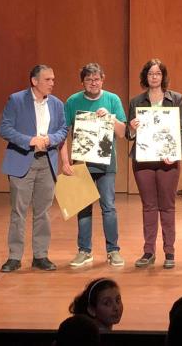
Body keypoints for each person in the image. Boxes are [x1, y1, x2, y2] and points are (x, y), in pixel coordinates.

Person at [0, 65, 68, 273]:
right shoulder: (16, 100)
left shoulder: (56, 104)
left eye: (53, 79)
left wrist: (49, 139)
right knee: (18, 211)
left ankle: (40, 255)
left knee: (43, 211)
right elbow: (4, 128)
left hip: (46, 162)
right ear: (34, 81)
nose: (52, 83)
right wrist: (30, 141)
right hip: (22, 160)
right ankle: (14, 256)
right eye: (47, 79)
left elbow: (63, 129)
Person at [61, 63, 127, 268]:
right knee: (83, 209)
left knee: (109, 208)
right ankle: (84, 250)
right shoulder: (72, 101)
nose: (93, 83)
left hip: (107, 164)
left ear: (103, 79)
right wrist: (64, 161)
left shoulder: (112, 99)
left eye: (96, 79)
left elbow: (122, 132)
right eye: (89, 80)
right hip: (81, 163)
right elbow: (63, 133)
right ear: (83, 82)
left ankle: (113, 250)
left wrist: (109, 116)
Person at [127, 59, 182, 268]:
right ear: (145, 77)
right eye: (151, 73)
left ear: (163, 77)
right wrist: (132, 128)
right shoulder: (136, 101)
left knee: (168, 206)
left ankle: (169, 252)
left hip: (167, 161)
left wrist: (175, 152)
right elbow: (128, 134)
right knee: (149, 206)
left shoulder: (176, 99)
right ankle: (148, 251)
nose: (154, 77)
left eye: (158, 74)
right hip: (143, 160)